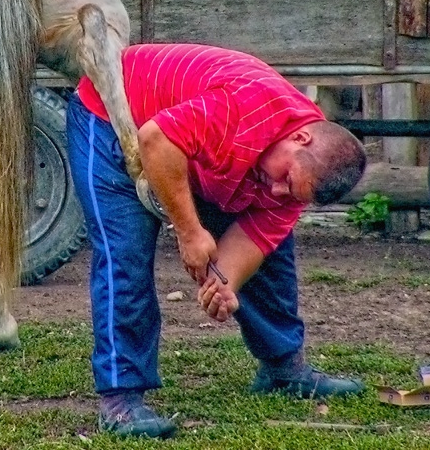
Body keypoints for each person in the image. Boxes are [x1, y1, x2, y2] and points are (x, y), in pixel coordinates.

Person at [65, 43, 368, 439]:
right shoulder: (248, 108)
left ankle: (283, 367)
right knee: (125, 254)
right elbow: (156, 140)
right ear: (301, 137)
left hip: (184, 145)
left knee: (274, 252)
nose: (278, 191)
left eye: (292, 194)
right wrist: (190, 232)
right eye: (285, 179)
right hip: (113, 112)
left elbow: (254, 239)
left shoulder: (299, 183)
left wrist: (222, 284)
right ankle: (120, 399)